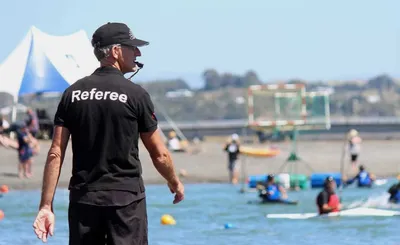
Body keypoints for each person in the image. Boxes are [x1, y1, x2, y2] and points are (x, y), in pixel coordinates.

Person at [33, 22, 185, 245]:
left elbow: (56, 152)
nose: (138, 53)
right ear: (115, 51)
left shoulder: (72, 94)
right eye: (132, 47)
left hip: (84, 200)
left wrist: (46, 206)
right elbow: (159, 154)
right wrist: (174, 182)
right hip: (125, 201)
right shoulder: (136, 94)